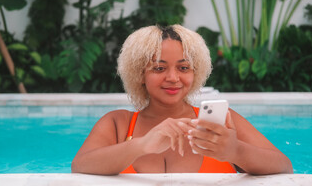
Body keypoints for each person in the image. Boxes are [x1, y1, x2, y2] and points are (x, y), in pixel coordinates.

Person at [71, 24, 293, 175]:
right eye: (159, 68)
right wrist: (142, 145)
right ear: (140, 74)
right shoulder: (117, 124)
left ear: (195, 72)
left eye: (183, 67)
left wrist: (235, 151)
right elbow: (80, 166)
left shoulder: (222, 123)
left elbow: (284, 167)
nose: (173, 78)